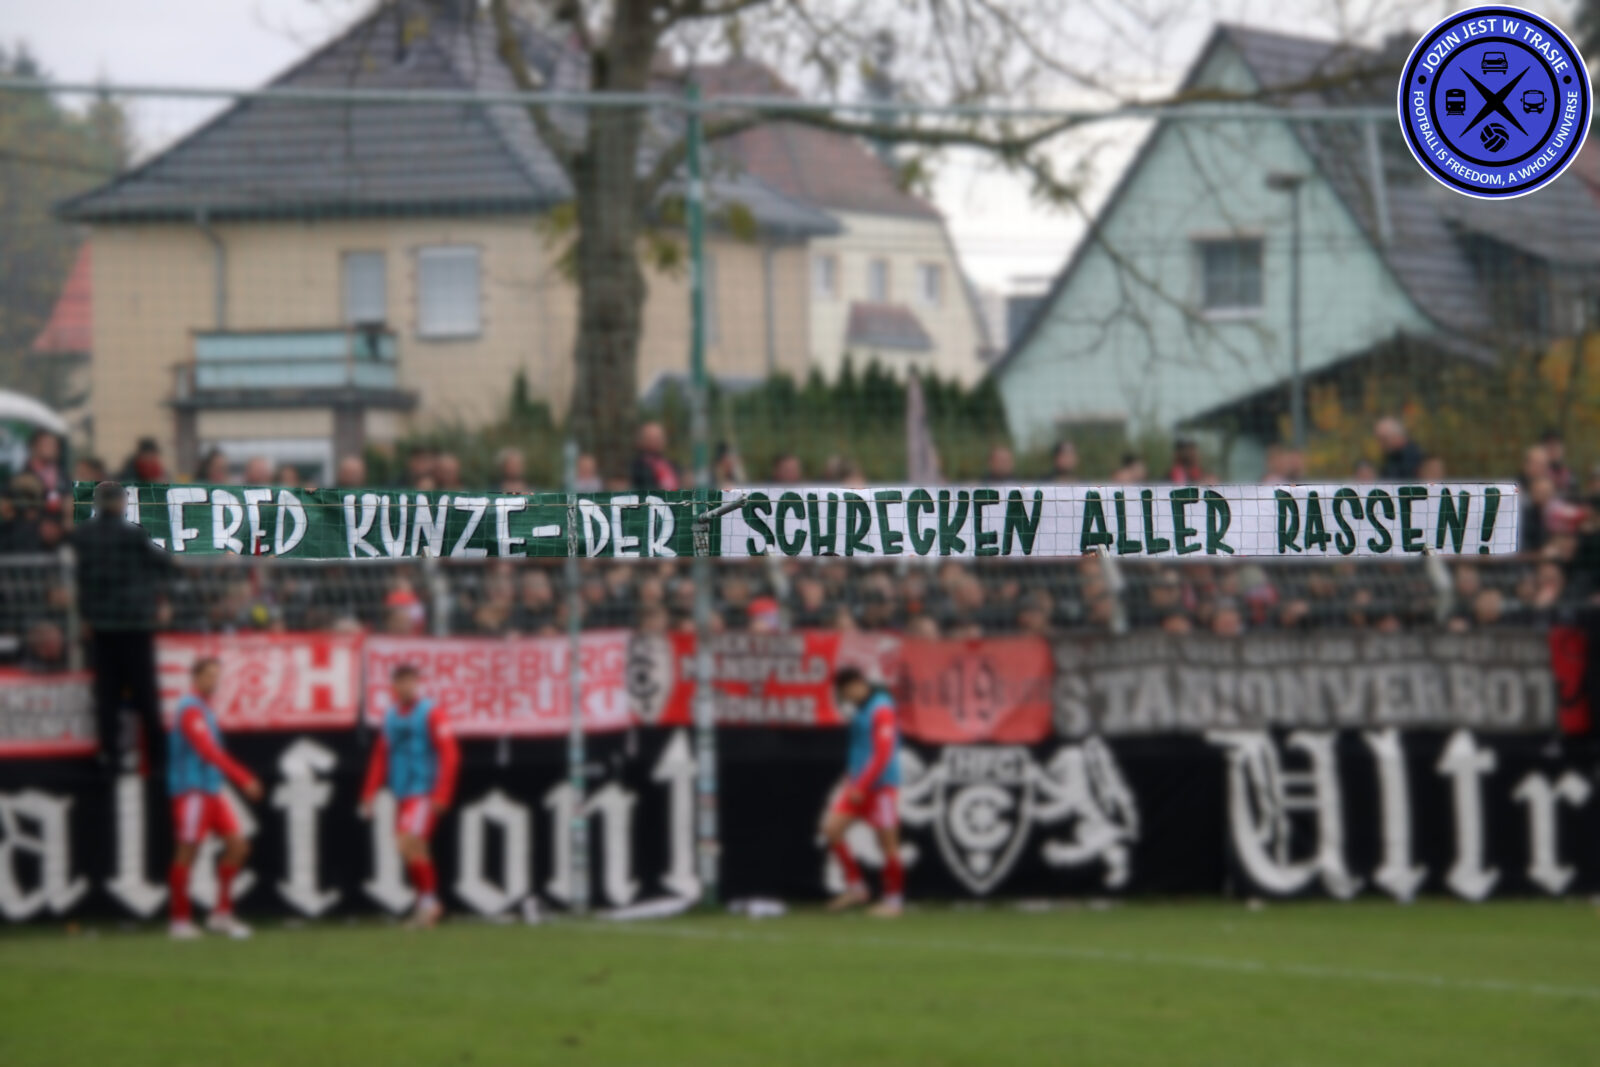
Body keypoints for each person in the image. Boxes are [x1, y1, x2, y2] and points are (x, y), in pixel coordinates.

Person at [71, 480, 175, 775]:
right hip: (135, 624)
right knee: (145, 694)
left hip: (101, 626)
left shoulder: (83, 536)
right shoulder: (134, 535)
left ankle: (110, 756)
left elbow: (78, 576)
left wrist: (85, 615)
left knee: (107, 697)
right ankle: (157, 758)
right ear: (121, 503)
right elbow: (164, 564)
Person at [167, 657, 263, 940]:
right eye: (208, 675)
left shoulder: (204, 708)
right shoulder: (190, 709)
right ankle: (180, 920)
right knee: (188, 852)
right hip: (192, 790)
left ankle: (221, 914)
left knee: (239, 846)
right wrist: (243, 777)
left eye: (216, 675)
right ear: (195, 677)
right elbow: (206, 750)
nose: (214, 681)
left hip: (210, 789)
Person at [359, 664, 459, 928]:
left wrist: (443, 792)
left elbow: (449, 753)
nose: (407, 686)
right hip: (402, 791)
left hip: (423, 790)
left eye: (411, 681)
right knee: (416, 847)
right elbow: (381, 755)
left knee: (407, 842)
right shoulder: (390, 716)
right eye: (402, 682)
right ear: (393, 686)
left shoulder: (432, 713)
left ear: (417, 684)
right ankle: (426, 904)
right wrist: (369, 791)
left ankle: (430, 904)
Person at [820, 667, 904, 918]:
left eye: (846, 692)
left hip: (881, 787)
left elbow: (883, 752)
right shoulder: (861, 709)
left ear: (857, 684)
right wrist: (853, 779)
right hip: (858, 785)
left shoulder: (882, 708)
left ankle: (893, 901)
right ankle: (857, 889)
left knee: (887, 844)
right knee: (832, 830)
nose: (845, 698)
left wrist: (862, 784)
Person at [630, 422, 681, 491]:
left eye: (659, 437)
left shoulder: (672, 465)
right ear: (641, 441)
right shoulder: (635, 468)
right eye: (650, 438)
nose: (656, 441)